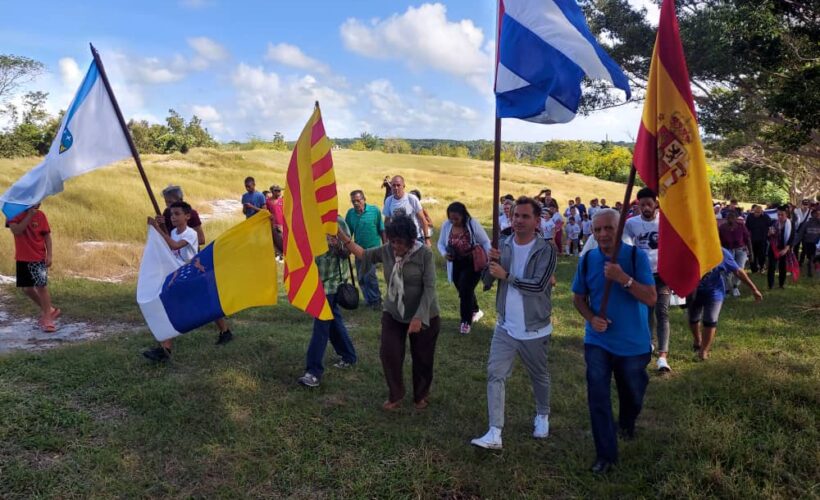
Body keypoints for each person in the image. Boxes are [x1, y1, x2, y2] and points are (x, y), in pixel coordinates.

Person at [571, 208, 657, 474]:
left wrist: (624, 279)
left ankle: (627, 423)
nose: (602, 234)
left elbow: (651, 298)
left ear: (619, 229)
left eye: (608, 228)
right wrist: (591, 318)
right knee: (597, 393)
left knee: (632, 390)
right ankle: (606, 455)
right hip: (598, 340)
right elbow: (578, 298)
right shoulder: (587, 260)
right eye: (597, 230)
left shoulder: (635, 257)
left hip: (633, 344)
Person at [470, 197, 558, 450]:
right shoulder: (504, 245)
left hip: (534, 327)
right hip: (506, 325)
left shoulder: (546, 250)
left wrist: (506, 275)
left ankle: (542, 414)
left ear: (536, 220)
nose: (519, 220)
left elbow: (539, 285)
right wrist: (490, 263)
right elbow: (487, 282)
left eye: (525, 216)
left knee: (538, 375)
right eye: (516, 216)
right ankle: (494, 431)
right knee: (495, 374)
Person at [338, 215, 440, 410]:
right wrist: (343, 237)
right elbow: (363, 254)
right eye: (392, 241)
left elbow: (430, 288)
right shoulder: (387, 250)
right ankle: (396, 394)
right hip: (394, 312)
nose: (395, 246)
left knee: (423, 357)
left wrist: (419, 317)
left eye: (399, 242)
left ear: (411, 240)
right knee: (389, 352)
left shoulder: (424, 254)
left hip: (425, 314)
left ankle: (420, 395)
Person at [143, 202, 233, 361]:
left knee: (205, 304)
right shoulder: (173, 232)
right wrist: (161, 228)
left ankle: (224, 332)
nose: (173, 217)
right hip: (181, 275)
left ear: (187, 216)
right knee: (193, 304)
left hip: (194, 274)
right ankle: (166, 349)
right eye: (171, 214)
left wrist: (157, 228)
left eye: (177, 214)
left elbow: (175, 245)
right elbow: (169, 248)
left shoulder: (191, 233)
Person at [297, 216, 358, 387]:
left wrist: (336, 243)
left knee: (321, 326)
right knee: (333, 321)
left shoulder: (337, 222)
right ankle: (349, 356)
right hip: (316, 282)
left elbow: (347, 252)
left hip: (332, 285)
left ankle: (313, 372)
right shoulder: (308, 222)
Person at [623, 187, 672, 372]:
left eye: (648, 204)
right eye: (642, 204)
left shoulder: (666, 222)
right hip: (642, 275)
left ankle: (662, 356)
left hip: (662, 274)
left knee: (662, 312)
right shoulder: (631, 223)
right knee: (646, 312)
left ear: (656, 204)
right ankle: (648, 343)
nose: (645, 208)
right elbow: (627, 247)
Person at [688, 248, 763, 360]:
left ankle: (704, 351)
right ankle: (697, 340)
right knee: (693, 318)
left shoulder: (721, 252)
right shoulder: (688, 250)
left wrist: (754, 289)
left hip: (714, 291)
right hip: (693, 290)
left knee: (711, 319)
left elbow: (738, 271)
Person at [437, 202, 491, 335]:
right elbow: (440, 243)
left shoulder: (472, 224)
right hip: (455, 262)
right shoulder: (446, 225)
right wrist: (445, 254)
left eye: (456, 218)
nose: (453, 221)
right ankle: (476, 310)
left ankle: (465, 322)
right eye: (451, 218)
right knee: (462, 289)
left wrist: (490, 260)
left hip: (472, 262)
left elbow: (485, 241)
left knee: (465, 290)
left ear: (463, 216)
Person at [6, 204, 60, 332]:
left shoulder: (41, 216)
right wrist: (29, 215)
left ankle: (48, 319)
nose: (39, 203)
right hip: (22, 258)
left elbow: (47, 237)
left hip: (38, 258)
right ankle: (50, 310)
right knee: (27, 289)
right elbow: (17, 231)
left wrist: (49, 255)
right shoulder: (13, 214)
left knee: (41, 286)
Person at [345, 190, 386, 309]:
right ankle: (369, 300)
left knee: (370, 275)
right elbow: (348, 233)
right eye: (353, 201)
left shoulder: (374, 211)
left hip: (374, 250)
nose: (356, 203)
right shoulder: (350, 214)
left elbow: (382, 229)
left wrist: (385, 245)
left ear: (364, 199)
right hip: (358, 250)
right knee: (361, 277)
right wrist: (347, 248)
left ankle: (376, 300)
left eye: (358, 200)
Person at [382, 176, 430, 246]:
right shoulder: (389, 201)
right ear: (391, 186)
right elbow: (387, 222)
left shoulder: (412, 199)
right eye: (393, 185)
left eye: (398, 185)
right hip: (399, 240)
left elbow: (422, 219)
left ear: (403, 186)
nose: (396, 188)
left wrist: (427, 239)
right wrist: (386, 240)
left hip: (415, 238)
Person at [718, 211, 752, 296]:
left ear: (736, 218)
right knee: (726, 270)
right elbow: (718, 241)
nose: (731, 219)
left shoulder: (741, 226)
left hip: (741, 250)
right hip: (727, 250)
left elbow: (747, 239)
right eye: (729, 217)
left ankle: (735, 286)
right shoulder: (722, 228)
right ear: (726, 218)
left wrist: (751, 253)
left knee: (739, 269)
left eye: (733, 217)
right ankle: (726, 288)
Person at [767, 206, 794, 289]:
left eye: (782, 215)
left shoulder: (790, 224)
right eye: (778, 214)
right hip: (773, 247)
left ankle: (781, 284)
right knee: (771, 266)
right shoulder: (773, 223)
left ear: (786, 214)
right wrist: (769, 234)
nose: (780, 216)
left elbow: (791, 238)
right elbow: (768, 237)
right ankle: (770, 285)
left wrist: (786, 249)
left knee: (782, 267)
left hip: (784, 248)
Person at [745, 204, 772, 273]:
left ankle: (761, 267)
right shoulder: (750, 217)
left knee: (762, 254)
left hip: (762, 239)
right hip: (752, 239)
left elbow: (770, 225)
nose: (756, 214)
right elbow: (746, 227)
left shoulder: (766, 217)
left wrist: (769, 233)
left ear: (761, 212)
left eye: (758, 212)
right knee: (752, 254)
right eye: (755, 212)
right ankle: (753, 269)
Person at [796, 208, 819, 277]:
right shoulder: (807, 223)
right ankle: (810, 270)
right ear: (812, 215)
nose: (818, 216)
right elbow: (800, 234)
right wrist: (794, 243)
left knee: (814, 257)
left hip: (817, 244)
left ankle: (813, 266)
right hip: (809, 243)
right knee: (810, 257)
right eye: (817, 214)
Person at [266, 185, 285, 261]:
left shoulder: (282, 200)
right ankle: (277, 255)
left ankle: (282, 256)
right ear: (272, 191)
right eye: (276, 191)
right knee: (274, 241)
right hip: (272, 224)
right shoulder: (267, 201)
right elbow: (266, 212)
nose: (278, 192)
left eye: (279, 191)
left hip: (282, 224)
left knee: (282, 240)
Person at [793, 199, 812, 268]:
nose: (805, 206)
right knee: (796, 247)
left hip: (806, 233)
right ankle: (795, 260)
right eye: (804, 204)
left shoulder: (811, 212)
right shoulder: (796, 211)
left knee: (804, 248)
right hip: (797, 231)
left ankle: (801, 261)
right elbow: (794, 221)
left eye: (806, 205)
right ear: (801, 204)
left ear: (808, 205)